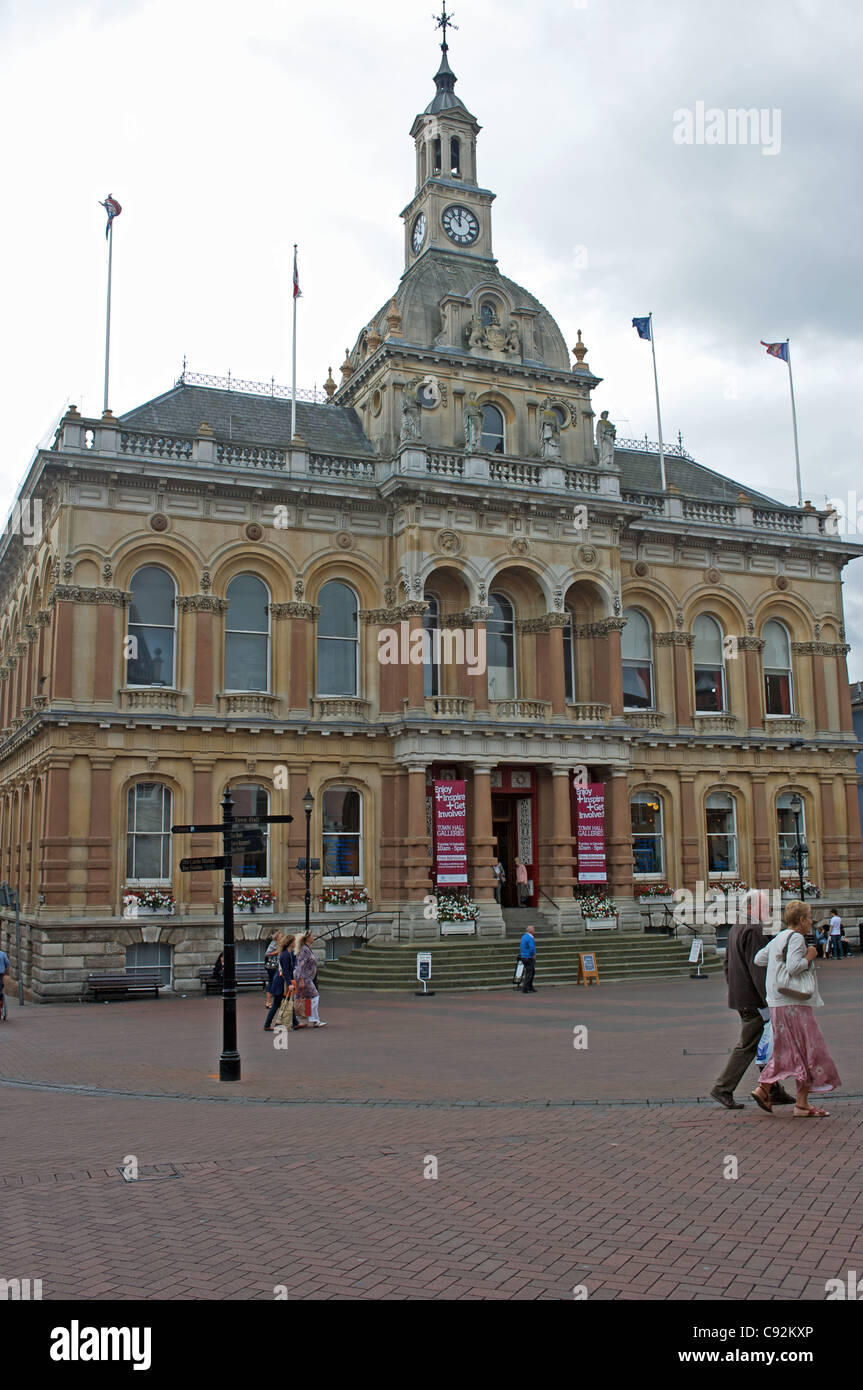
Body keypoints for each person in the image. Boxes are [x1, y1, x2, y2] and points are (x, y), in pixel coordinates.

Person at [752, 899, 841, 1117]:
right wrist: (809, 956)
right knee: (810, 1048)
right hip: (793, 1003)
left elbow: (759, 959)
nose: (811, 921)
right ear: (801, 920)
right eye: (809, 917)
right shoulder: (797, 938)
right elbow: (793, 967)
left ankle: (795, 1100)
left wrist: (778, 960)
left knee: (793, 1050)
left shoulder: (779, 937)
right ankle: (768, 1087)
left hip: (776, 1002)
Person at [710, 891, 795, 1110]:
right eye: (765, 907)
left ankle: (772, 1089)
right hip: (755, 1000)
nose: (768, 912)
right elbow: (759, 969)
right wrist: (767, 1001)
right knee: (749, 1045)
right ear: (751, 908)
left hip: (742, 996)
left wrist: (734, 990)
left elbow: (727, 964)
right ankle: (723, 1088)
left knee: (766, 1043)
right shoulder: (754, 929)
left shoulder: (737, 927)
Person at [263, 935, 295, 1032]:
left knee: (282, 1003)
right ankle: (269, 1024)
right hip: (281, 983)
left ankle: (292, 1022)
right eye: (293, 941)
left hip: (281, 982)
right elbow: (285, 971)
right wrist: (290, 983)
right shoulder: (285, 955)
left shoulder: (287, 953)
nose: (295, 943)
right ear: (290, 943)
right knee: (281, 1003)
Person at [294, 930, 326, 1027]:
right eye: (312, 935)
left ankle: (307, 1018)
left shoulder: (307, 948)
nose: (314, 937)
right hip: (304, 978)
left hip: (308, 977)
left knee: (307, 998)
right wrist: (302, 980)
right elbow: (300, 966)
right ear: (308, 938)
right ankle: (314, 1019)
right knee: (315, 996)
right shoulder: (304, 950)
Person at [519, 923, 537, 994]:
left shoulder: (523, 937)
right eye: (534, 930)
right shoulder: (530, 938)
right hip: (528, 957)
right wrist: (533, 955)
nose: (534, 931)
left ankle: (530, 986)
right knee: (529, 972)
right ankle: (525, 988)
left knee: (531, 971)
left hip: (524, 956)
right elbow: (531, 947)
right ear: (531, 931)